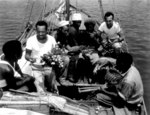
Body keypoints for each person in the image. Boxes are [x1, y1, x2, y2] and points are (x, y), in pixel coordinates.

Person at [25, 20, 57, 94]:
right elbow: (27, 55)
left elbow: (55, 51)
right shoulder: (30, 40)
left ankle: (53, 91)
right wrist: (29, 58)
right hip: (36, 68)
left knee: (53, 87)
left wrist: (53, 57)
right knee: (40, 91)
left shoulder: (51, 39)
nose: (40, 34)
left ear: (47, 30)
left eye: (43, 32)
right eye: (38, 31)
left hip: (49, 66)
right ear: (36, 30)